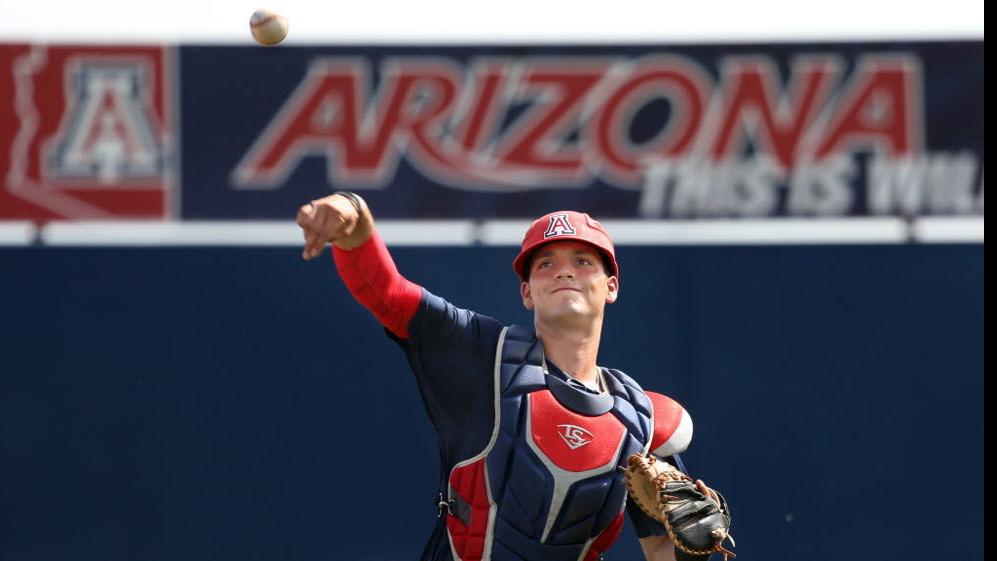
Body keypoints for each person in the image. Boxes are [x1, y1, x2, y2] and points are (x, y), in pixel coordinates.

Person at [296, 192, 722, 561]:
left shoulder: (643, 419)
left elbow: (664, 550)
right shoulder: (483, 356)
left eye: (582, 260)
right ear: (526, 292)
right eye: (545, 264)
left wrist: (697, 545)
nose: (565, 271)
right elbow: (387, 293)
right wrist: (353, 218)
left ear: (611, 286)